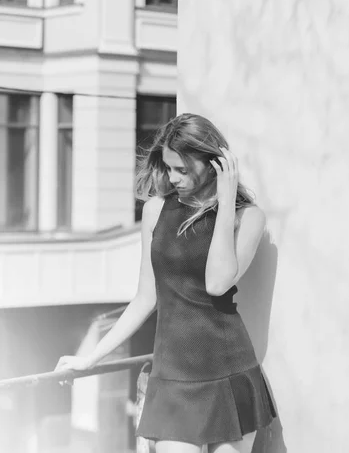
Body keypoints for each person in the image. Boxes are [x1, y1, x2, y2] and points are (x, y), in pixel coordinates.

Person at [55, 113, 277, 453]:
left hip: (229, 371)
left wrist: (226, 200)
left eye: (183, 170)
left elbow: (217, 283)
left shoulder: (248, 217)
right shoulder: (156, 211)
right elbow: (145, 298)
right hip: (173, 376)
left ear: (214, 164)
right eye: (168, 167)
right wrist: (91, 358)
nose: (173, 178)